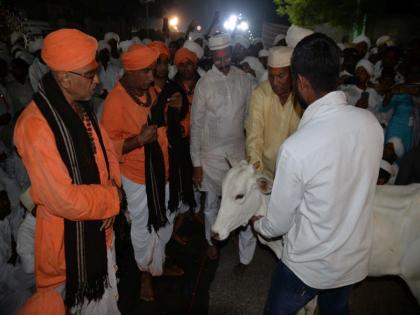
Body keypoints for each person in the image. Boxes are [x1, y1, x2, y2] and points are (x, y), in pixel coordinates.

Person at [251, 33, 383, 315]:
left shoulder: (298, 147)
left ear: (301, 81)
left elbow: (279, 224)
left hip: (309, 266)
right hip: (351, 259)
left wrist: (259, 223)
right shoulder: (371, 124)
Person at [14, 28, 123, 314]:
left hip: (101, 233)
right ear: (64, 78)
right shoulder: (35, 125)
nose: (97, 80)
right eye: (90, 75)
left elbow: (107, 153)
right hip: (69, 253)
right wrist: (112, 200)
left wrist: (114, 189)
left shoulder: (77, 106)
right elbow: (61, 198)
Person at [101, 44, 183, 302]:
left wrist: (177, 108)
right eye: (147, 72)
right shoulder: (115, 102)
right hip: (137, 177)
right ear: (132, 71)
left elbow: (166, 125)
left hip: (163, 171)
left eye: (153, 70)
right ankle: (146, 275)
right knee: (143, 227)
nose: (152, 76)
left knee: (166, 217)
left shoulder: (151, 91)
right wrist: (137, 141)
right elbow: (107, 148)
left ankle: (157, 265)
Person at [190, 34, 256, 263]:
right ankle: (211, 241)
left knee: (244, 202)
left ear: (231, 53)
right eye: (217, 58)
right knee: (211, 204)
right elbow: (196, 126)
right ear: (211, 58)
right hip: (211, 155)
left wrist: (251, 151)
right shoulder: (204, 84)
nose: (222, 61)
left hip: (238, 154)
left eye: (225, 56)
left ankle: (245, 256)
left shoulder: (245, 80)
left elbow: (250, 119)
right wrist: (196, 164)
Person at [246, 46, 302, 179]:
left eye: (281, 76)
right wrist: (257, 175)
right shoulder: (260, 94)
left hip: (295, 174)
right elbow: (254, 138)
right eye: (271, 76)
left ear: (292, 73)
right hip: (265, 172)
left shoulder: (303, 96)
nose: (275, 82)